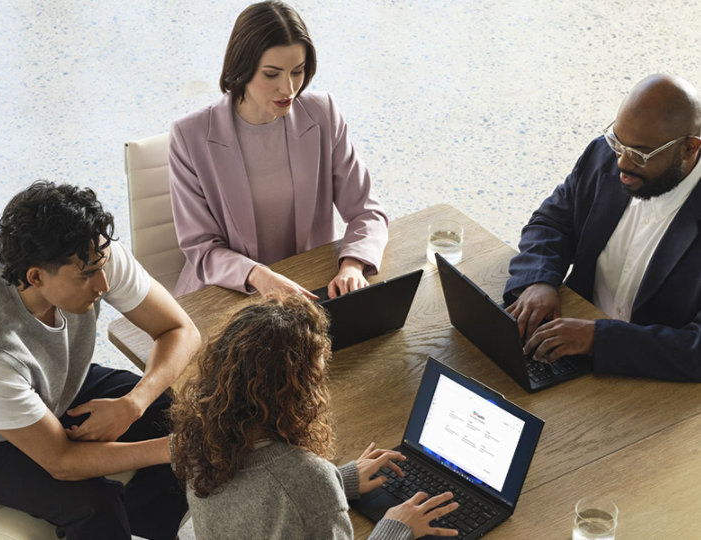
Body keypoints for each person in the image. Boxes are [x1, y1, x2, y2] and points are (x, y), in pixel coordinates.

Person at [0, 181, 201, 539]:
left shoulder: (90, 253)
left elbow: (180, 330)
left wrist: (134, 404)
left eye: (101, 267)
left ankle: (152, 525)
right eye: (87, 276)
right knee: (92, 505)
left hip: (50, 386)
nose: (103, 284)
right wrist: (172, 449)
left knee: (171, 412)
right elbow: (62, 463)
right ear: (36, 277)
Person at [170, 294, 458, 539]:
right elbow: (285, 488)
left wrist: (337, 480)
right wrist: (396, 526)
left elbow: (256, 507)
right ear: (291, 394)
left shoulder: (202, 433)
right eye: (315, 380)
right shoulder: (305, 477)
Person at [168, 1, 388, 299]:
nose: (288, 89)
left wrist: (352, 265)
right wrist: (259, 276)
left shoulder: (323, 114)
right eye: (272, 74)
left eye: (297, 71)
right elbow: (202, 249)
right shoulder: (189, 136)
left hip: (308, 285)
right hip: (228, 293)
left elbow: (367, 212)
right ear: (241, 68)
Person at [504, 74, 701, 381]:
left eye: (639, 154)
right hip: (566, 349)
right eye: (617, 142)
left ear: (689, 149)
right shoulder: (603, 156)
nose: (621, 163)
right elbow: (552, 221)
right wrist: (539, 281)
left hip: (657, 385)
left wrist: (597, 338)